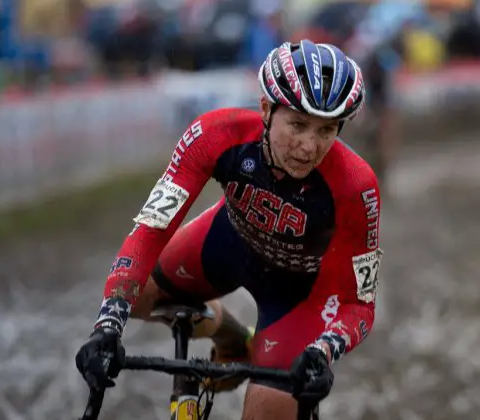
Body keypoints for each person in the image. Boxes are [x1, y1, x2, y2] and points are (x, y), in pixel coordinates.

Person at [75, 39, 382, 419]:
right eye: (298, 125)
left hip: (296, 297)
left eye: (327, 130)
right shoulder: (216, 134)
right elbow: (152, 230)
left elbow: (359, 305)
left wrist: (323, 351)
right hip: (224, 247)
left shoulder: (356, 185)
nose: (309, 146)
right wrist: (107, 326)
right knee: (135, 296)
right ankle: (230, 335)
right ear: (267, 109)